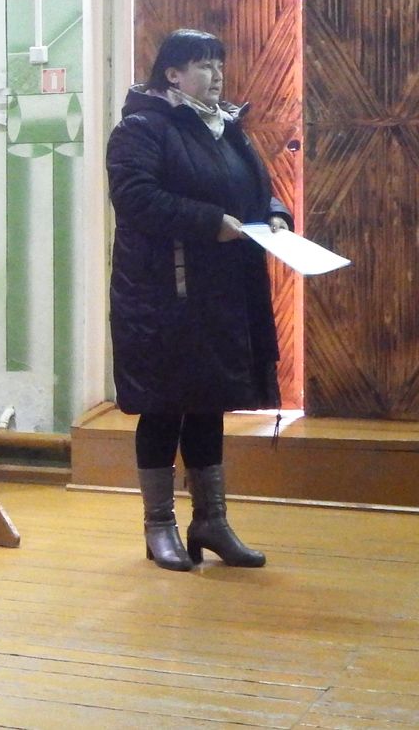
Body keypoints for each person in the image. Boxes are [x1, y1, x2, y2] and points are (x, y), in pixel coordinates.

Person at [107, 28, 290, 572]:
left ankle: (211, 522)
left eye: (219, 64)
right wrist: (211, 222)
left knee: (208, 402)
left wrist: (275, 213)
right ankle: (159, 527)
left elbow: (256, 188)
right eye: (204, 65)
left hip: (219, 294)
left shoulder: (225, 126)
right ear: (173, 74)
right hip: (163, 297)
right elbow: (135, 198)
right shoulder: (142, 128)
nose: (217, 75)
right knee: (163, 407)